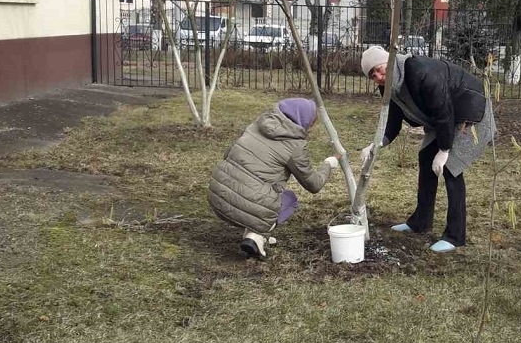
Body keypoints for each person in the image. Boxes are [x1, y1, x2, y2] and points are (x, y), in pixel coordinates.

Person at [360, 46, 496, 253]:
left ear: (389, 60)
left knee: (451, 168)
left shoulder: (420, 72)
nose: (378, 76)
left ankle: (455, 236)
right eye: (373, 75)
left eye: (379, 69)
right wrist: (377, 143)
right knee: (425, 158)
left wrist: (443, 150)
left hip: (469, 110)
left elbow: (443, 110)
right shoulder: (389, 86)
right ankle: (420, 222)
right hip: (444, 117)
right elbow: (393, 119)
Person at [208, 98, 339, 259]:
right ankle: (255, 237)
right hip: (247, 206)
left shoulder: (256, 125)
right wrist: (328, 164)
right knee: (289, 200)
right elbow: (314, 185)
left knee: (254, 192)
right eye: (311, 124)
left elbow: (228, 154)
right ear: (302, 121)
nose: (310, 128)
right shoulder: (294, 146)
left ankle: (253, 230)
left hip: (216, 196)